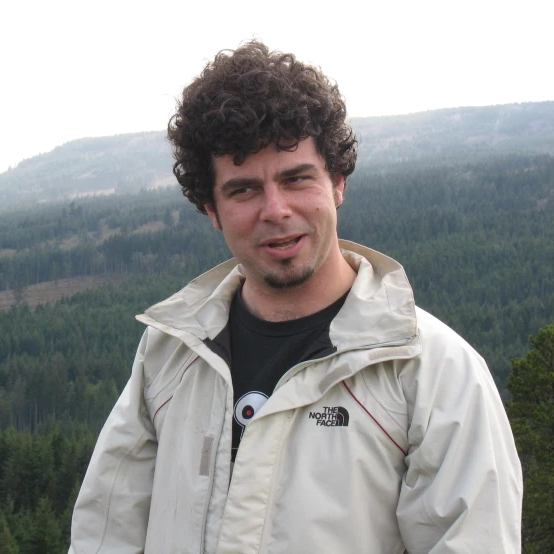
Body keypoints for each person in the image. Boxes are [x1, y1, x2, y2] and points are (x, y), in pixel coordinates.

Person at [69, 41, 523, 553]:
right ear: (211, 209)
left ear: (338, 182)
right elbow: (107, 534)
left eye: (296, 178)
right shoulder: (171, 355)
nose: (276, 210)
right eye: (243, 190)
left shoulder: (431, 370)